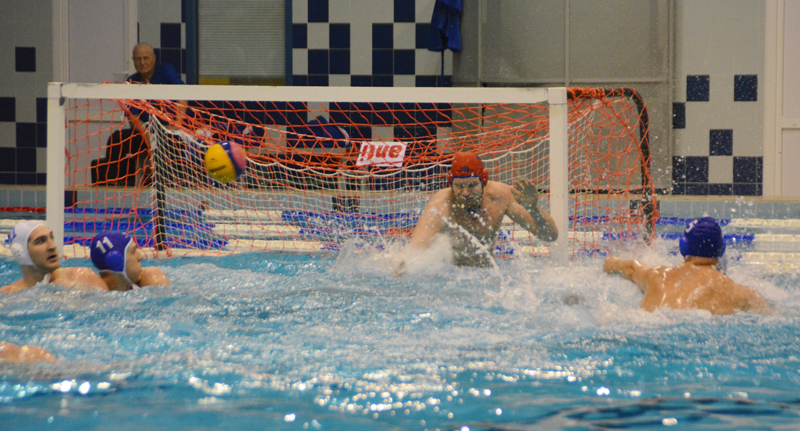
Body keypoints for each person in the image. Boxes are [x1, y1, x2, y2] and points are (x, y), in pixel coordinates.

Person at [400, 151, 558, 268]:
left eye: (471, 186)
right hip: (450, 277)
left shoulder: (501, 196)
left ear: (484, 181)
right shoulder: (441, 204)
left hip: (486, 275)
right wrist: (404, 264)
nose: (465, 193)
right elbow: (418, 246)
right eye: (459, 186)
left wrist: (533, 208)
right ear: (450, 183)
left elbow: (550, 236)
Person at [603, 217, 771, 315]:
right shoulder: (741, 294)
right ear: (721, 248)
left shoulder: (658, 276)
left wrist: (611, 264)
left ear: (683, 246)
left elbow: (630, 267)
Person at [1, 221, 108, 294]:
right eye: (41, 241)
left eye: (51, 237)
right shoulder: (8, 293)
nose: (52, 246)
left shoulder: (83, 277)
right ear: (21, 252)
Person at [90, 232, 170, 291]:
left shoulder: (148, 281)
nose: (141, 256)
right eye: (133, 251)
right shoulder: (91, 289)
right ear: (116, 261)